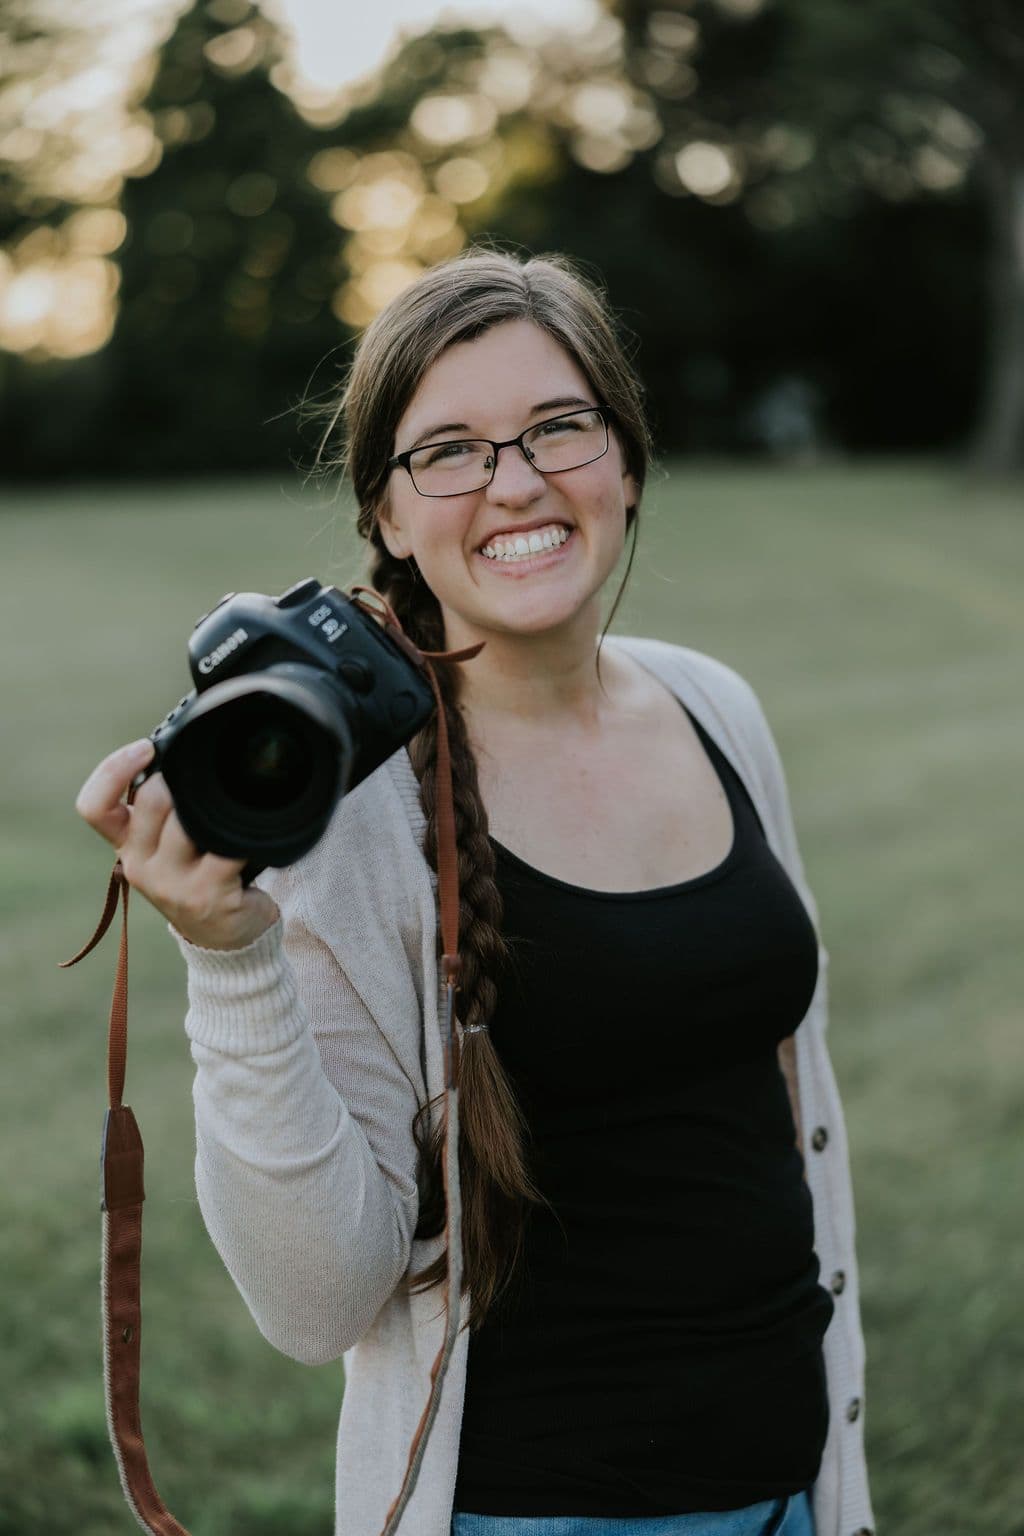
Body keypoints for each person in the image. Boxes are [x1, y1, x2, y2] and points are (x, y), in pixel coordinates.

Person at [75, 247, 875, 1536]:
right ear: (387, 515)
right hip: (532, 1510)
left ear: (626, 455)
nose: (515, 483)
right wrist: (230, 959)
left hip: (796, 1481)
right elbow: (316, 1302)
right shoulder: (355, 815)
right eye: (447, 450)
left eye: (559, 426)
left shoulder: (716, 705)